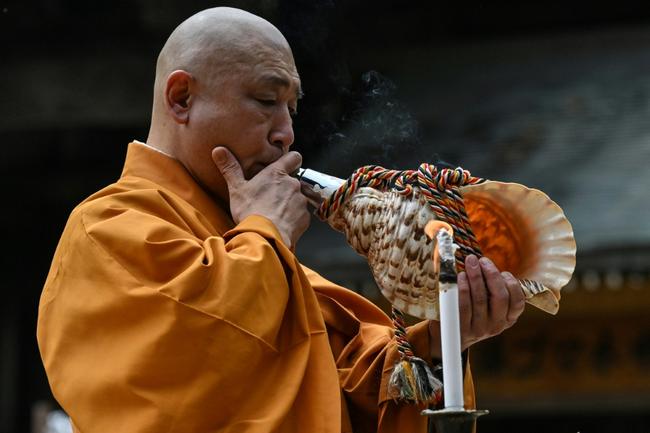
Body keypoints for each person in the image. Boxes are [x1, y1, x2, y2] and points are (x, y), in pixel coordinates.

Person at [37, 7, 525, 433]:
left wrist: (443, 341)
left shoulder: (258, 250)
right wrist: (264, 232)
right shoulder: (105, 228)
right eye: (267, 102)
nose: (286, 134)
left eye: (292, 109)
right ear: (181, 98)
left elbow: (350, 392)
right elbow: (191, 361)